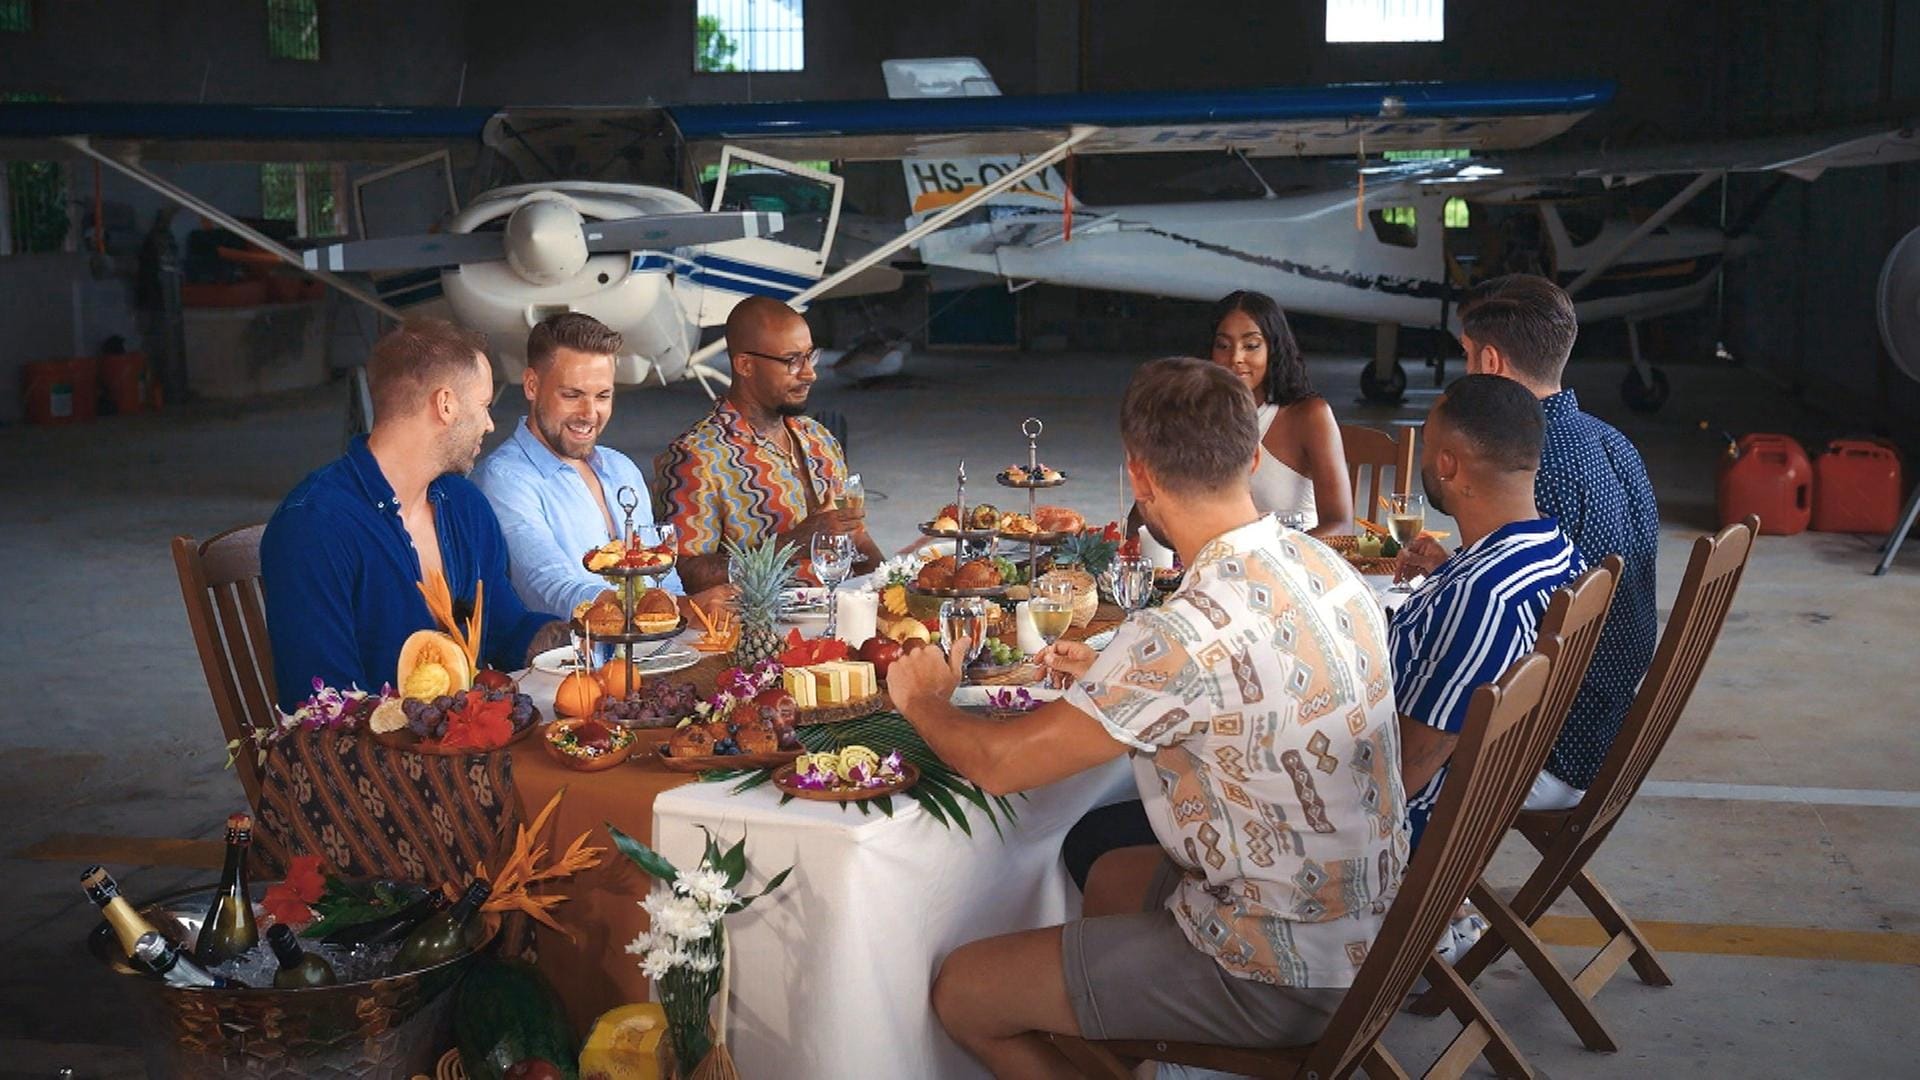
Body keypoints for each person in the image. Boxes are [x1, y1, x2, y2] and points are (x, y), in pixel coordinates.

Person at [885, 358, 1404, 1076]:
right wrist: (1115, 676)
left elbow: (999, 768)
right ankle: (1125, 1047)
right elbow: (1250, 682)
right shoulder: (1323, 563)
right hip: (1381, 928)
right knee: (1108, 878)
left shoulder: (1179, 634)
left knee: (964, 993)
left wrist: (920, 698)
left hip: (1283, 971)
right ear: (1252, 456)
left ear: (1140, 477)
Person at [1401, 274, 1658, 810]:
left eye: (1466, 355)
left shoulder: (1537, 468)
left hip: (1549, 744)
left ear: (1490, 363)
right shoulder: (1610, 440)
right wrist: (1455, 566)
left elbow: (1493, 629)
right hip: (1607, 722)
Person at [261, 319, 568, 711]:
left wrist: (587, 635)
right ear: (445, 405)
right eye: (484, 406)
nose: (490, 425)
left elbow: (503, 627)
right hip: (366, 757)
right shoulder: (312, 527)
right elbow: (321, 704)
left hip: (465, 739)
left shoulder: (463, 504)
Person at [1390, 375, 1583, 849]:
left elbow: (1398, 781)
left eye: (1429, 445)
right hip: (1470, 808)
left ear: (1448, 465)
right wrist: (1451, 569)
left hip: (1406, 833)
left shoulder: (1484, 597)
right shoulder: (1556, 552)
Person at [473, 312, 728, 620]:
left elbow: (665, 579)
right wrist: (681, 609)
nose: (589, 413)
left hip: (659, 655)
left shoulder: (622, 468)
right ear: (531, 385)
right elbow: (549, 589)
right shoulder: (504, 479)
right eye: (572, 395)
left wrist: (690, 614)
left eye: (603, 396)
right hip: (573, 664)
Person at [654, 297, 883, 593]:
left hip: (841, 618)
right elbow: (681, 574)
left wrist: (893, 587)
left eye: (810, 356)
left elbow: (857, 539)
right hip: (759, 632)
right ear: (745, 365)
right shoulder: (695, 458)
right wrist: (795, 542)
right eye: (792, 361)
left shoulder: (820, 439)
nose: (809, 373)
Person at [1208, 290, 1353, 536]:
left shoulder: (1309, 415)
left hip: (1297, 563)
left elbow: (1340, 525)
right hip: (1222, 564)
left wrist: (1273, 556)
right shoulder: (1201, 415)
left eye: (1251, 345)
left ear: (1273, 349)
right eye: (1223, 345)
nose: (1235, 358)